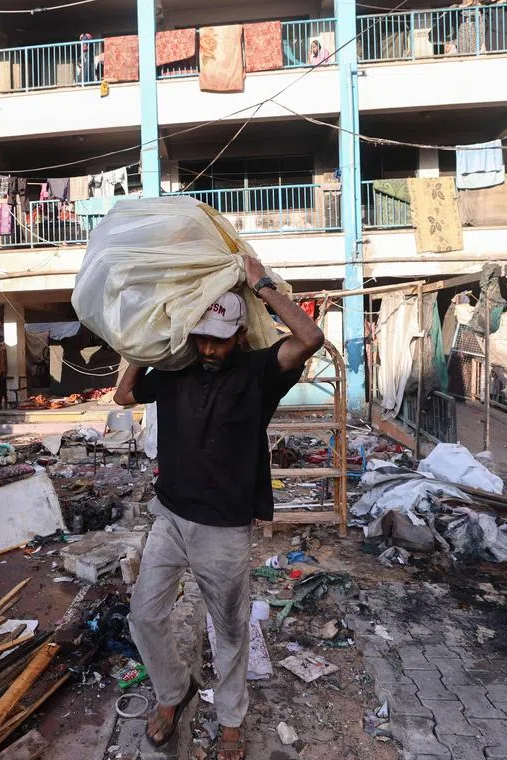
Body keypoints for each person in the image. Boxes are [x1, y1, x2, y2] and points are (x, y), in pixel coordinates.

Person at [113, 256, 324, 760]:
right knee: (143, 616)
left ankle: (231, 719)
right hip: (170, 516)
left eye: (220, 338)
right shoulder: (174, 367)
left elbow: (311, 339)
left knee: (228, 629)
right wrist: (150, 337)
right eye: (202, 337)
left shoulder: (258, 372)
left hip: (224, 529)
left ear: (238, 336)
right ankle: (172, 693)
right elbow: (123, 394)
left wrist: (263, 286)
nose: (209, 348)